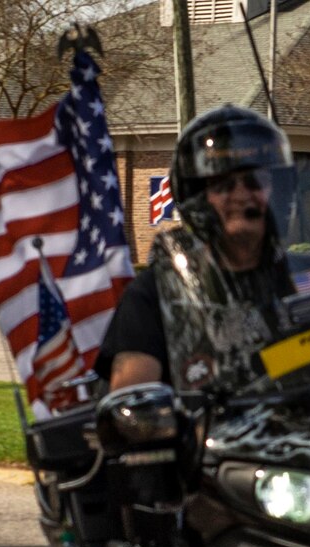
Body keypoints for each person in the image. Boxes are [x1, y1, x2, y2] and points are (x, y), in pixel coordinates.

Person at [94, 105, 298, 391]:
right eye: (223, 185)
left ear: (279, 190)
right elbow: (132, 401)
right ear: (197, 199)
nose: (241, 194)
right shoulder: (154, 294)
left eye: (256, 181)